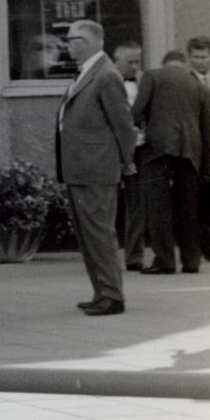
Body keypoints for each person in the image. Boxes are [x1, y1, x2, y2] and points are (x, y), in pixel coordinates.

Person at [56, 19, 135, 316]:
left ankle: (113, 296)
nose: (67, 45)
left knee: (99, 234)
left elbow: (124, 126)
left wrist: (125, 162)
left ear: (86, 41)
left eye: (71, 39)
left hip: (97, 169)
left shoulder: (106, 75)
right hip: (81, 168)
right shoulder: (87, 72)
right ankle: (101, 291)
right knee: (89, 235)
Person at [132, 49, 210, 275]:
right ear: (184, 64)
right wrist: (209, 167)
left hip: (158, 149)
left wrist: (134, 132)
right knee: (188, 207)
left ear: (164, 63)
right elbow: (209, 133)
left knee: (158, 206)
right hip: (190, 152)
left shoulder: (152, 76)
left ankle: (164, 260)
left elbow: (137, 111)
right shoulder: (199, 85)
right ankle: (191, 260)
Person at [113, 42, 149, 270]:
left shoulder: (144, 80)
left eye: (138, 61)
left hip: (139, 148)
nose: (135, 67)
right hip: (114, 149)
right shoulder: (108, 81)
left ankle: (134, 257)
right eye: (130, 62)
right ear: (117, 61)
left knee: (137, 204)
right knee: (109, 203)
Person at [184, 35, 210, 264]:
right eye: (196, 58)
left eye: (204, 57)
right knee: (199, 197)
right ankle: (201, 245)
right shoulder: (186, 82)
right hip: (197, 145)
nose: (200, 62)